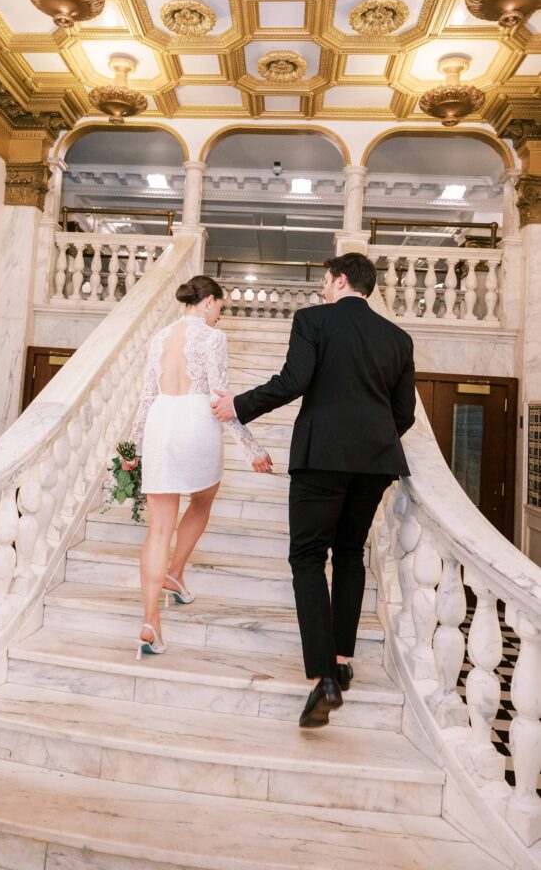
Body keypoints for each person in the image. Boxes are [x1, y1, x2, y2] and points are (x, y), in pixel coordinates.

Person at [211, 253, 415, 727]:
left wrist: (238, 405)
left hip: (321, 456)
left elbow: (294, 381)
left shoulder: (312, 320)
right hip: (374, 464)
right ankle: (341, 661)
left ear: (341, 280)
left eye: (325, 280)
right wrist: (373, 442)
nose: (321, 289)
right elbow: (402, 413)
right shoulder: (398, 338)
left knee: (307, 557)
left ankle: (323, 678)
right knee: (349, 554)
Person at [127, 274, 272, 660]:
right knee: (203, 500)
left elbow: (146, 398)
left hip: (161, 422)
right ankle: (175, 571)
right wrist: (251, 447)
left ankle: (150, 620)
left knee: (159, 529)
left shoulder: (158, 337)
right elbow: (220, 398)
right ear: (208, 301)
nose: (220, 315)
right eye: (220, 306)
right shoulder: (213, 338)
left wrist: (132, 447)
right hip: (195, 422)